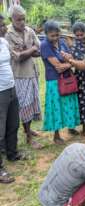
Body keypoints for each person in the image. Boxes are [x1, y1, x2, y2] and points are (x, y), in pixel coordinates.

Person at [5, 5, 42, 148]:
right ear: (11, 19)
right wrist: (31, 49)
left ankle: (28, 129)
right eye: (19, 19)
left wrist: (27, 51)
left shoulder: (29, 31)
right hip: (19, 75)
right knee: (24, 105)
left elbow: (39, 50)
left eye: (24, 19)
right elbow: (17, 57)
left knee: (32, 102)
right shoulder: (7, 34)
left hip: (32, 72)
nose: (22, 22)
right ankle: (28, 137)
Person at [40, 20, 80, 144]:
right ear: (46, 34)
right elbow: (57, 67)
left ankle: (70, 126)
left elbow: (71, 57)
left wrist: (69, 62)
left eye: (57, 35)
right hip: (54, 81)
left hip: (67, 78)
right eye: (52, 35)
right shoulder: (44, 45)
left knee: (68, 103)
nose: (55, 38)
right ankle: (56, 135)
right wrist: (71, 63)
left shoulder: (62, 42)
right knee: (56, 107)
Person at [0, 14, 26, 184]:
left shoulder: (3, 42)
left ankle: (12, 153)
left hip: (10, 88)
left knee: (13, 123)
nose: (4, 28)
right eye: (1, 26)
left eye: (3, 25)